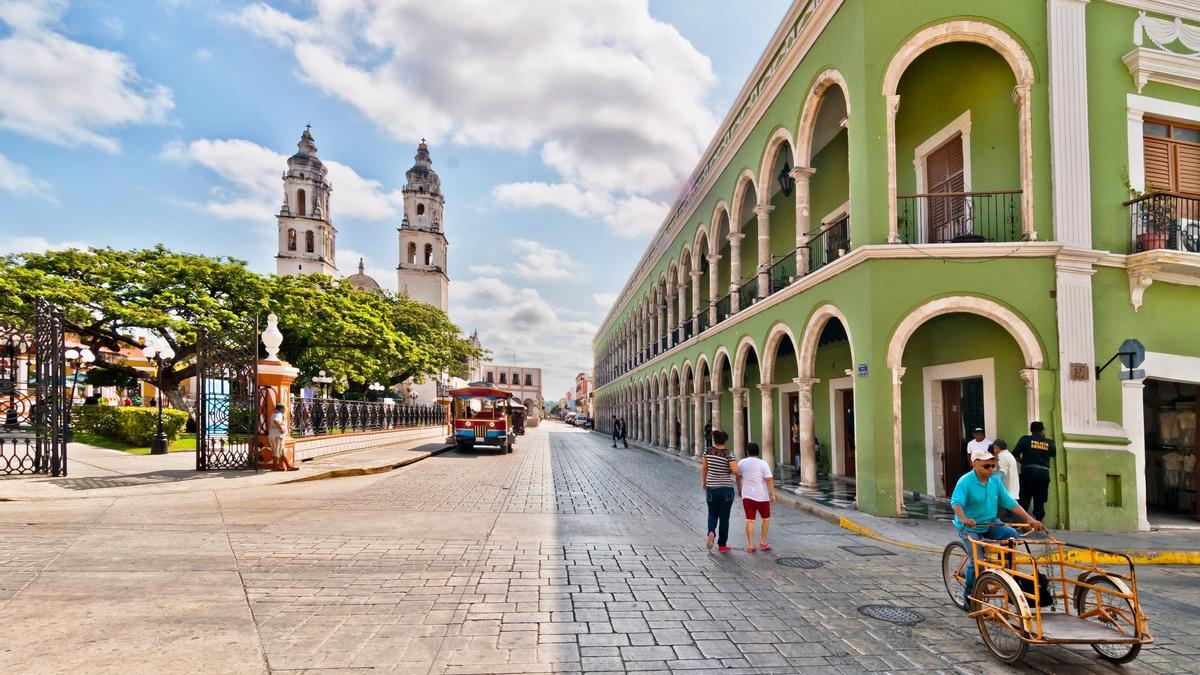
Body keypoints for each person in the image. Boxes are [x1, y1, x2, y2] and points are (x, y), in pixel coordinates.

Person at [951, 447, 1044, 606]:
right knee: (977, 560)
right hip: (970, 527)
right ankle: (968, 595)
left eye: (993, 466)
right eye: (987, 466)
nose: (991, 469)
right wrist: (964, 518)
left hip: (990, 522)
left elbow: (1010, 503)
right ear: (975, 465)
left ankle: (1005, 574)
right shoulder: (965, 481)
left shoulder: (995, 481)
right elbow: (956, 502)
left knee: (1012, 535)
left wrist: (1030, 520)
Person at [701, 429, 739, 553]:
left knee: (712, 513)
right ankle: (722, 545)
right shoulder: (729, 454)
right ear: (726, 440)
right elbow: (736, 470)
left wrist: (704, 481)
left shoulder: (708, 451)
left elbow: (705, 467)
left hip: (711, 487)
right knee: (724, 518)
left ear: (714, 440)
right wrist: (727, 470)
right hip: (726, 489)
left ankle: (711, 532)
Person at [1012, 421, 1056, 520]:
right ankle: (1039, 523)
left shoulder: (1025, 439)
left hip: (1028, 471)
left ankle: (1024, 524)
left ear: (1031, 430)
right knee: (1039, 499)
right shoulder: (1049, 442)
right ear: (1042, 430)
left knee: (1024, 498)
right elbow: (1053, 453)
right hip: (1043, 473)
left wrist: (1023, 462)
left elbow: (1015, 454)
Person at [736, 442, 775, 552]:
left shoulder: (742, 463)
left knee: (749, 520)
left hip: (747, 495)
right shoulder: (763, 463)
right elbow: (769, 479)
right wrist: (772, 494)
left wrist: (739, 489)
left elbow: (738, 477)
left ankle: (750, 545)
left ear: (747, 451)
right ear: (758, 452)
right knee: (766, 518)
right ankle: (763, 542)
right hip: (762, 496)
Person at [268, 403, 298, 471]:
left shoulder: (274, 413)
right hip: (278, 436)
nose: (285, 410)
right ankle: (284, 467)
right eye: (284, 409)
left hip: (273, 435)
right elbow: (276, 421)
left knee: (278, 452)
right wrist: (281, 428)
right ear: (281, 409)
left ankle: (279, 467)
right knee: (279, 452)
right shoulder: (279, 414)